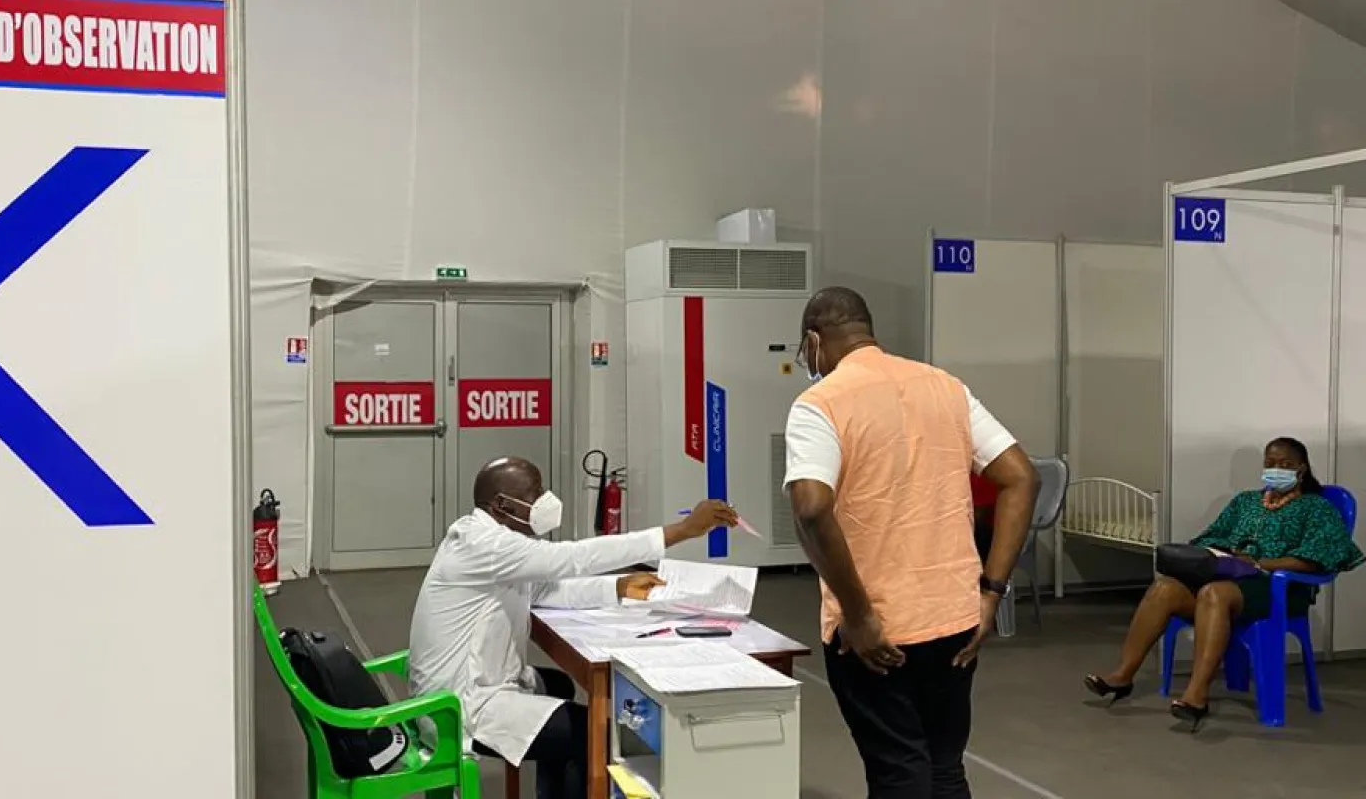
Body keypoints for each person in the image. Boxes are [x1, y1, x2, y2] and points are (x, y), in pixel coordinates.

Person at [783, 287, 1040, 799]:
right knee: (944, 767)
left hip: (877, 633)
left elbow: (811, 507)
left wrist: (858, 615)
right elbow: (1022, 478)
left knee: (898, 771)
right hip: (955, 620)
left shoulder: (819, 404)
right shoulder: (947, 388)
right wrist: (991, 592)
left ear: (813, 341)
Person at [406, 456, 737, 799]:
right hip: (457, 709)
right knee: (591, 735)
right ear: (503, 505)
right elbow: (572, 558)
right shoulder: (484, 545)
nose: (546, 499)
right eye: (536, 492)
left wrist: (618, 587)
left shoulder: (494, 541)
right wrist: (681, 530)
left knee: (559, 685)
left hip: (467, 686)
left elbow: (544, 590)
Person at [1084, 437, 1363, 730]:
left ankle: (1196, 696)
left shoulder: (1316, 508)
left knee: (1214, 593)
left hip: (1278, 588)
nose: (1276, 470)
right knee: (1165, 588)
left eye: (1285, 465)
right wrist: (1221, 554)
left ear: (1301, 469)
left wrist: (1258, 563)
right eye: (1270, 463)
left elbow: (1318, 559)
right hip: (1229, 580)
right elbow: (1210, 537)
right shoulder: (1246, 501)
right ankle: (1123, 676)